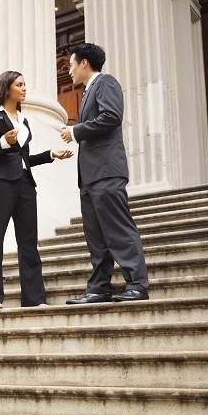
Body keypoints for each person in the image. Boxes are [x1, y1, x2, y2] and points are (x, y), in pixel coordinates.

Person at [60, 43, 150, 304]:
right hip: (89, 176)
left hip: (106, 170)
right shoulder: (88, 92)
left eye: (72, 65)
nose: (69, 72)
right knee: (96, 236)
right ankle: (99, 288)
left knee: (118, 229)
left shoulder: (106, 82)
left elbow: (112, 116)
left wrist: (76, 131)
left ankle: (137, 285)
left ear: (85, 63)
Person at [0, 71, 73, 309]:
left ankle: (34, 298)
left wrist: (51, 154)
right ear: (6, 88)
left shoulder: (23, 120)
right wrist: (2, 142)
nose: (24, 88)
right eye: (19, 84)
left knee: (29, 242)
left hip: (25, 183)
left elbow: (25, 157)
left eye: (25, 84)